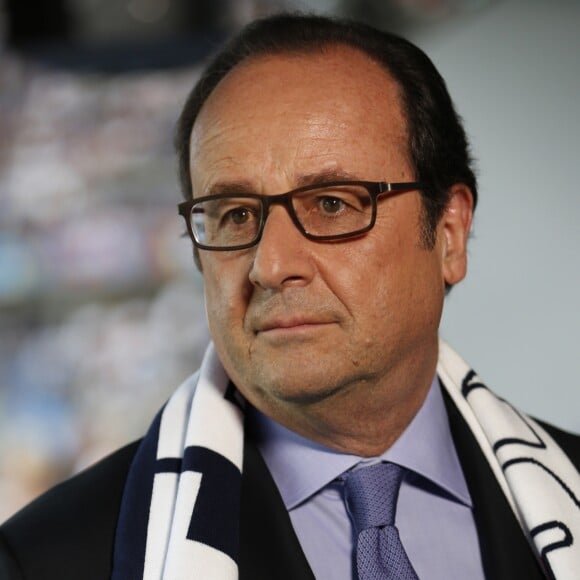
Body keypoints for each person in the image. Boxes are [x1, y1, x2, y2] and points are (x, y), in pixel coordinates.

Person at [1, 13, 579, 580]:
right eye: (234, 215)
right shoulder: (48, 560)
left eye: (332, 204)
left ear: (449, 234)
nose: (270, 266)